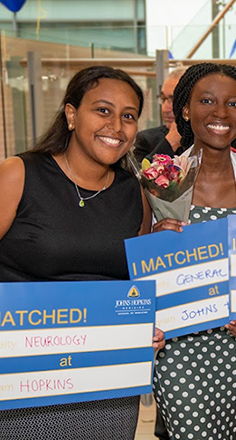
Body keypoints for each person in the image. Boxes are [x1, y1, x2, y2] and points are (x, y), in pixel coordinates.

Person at [0, 66, 164, 439]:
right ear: (71, 114)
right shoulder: (18, 174)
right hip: (22, 382)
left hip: (105, 386)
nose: (116, 126)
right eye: (102, 110)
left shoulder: (134, 193)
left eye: (128, 116)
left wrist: (146, 325)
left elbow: (133, 284)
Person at [151, 62, 236, 440]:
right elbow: (132, 263)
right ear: (185, 111)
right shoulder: (159, 178)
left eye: (233, 104)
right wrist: (153, 241)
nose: (220, 113)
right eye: (207, 101)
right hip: (177, 351)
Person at [134, 67, 236, 162]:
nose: (165, 108)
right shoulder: (147, 140)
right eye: (163, 98)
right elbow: (138, 184)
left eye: (173, 99)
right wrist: (170, 143)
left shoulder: (231, 139)